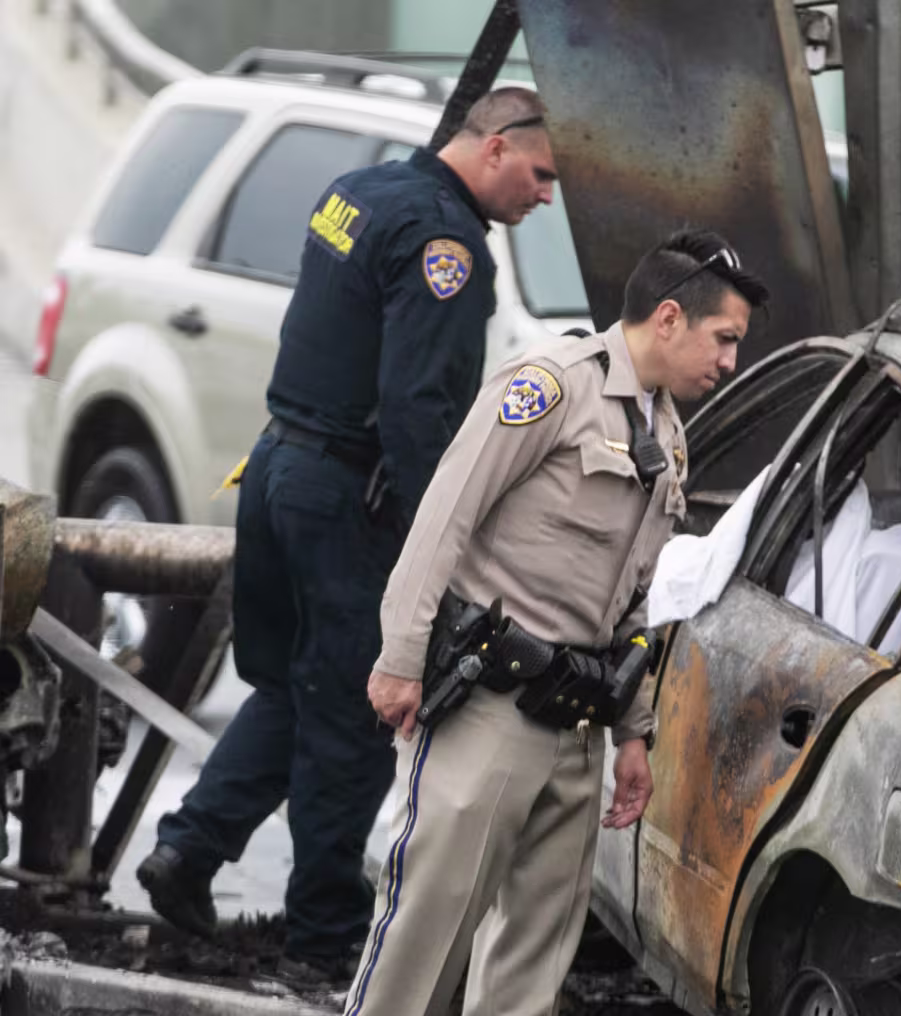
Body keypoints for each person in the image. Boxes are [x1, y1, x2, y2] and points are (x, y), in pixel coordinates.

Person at [135, 87, 559, 986]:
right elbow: (417, 408)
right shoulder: (446, 244)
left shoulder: (358, 190)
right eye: (539, 172)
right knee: (359, 715)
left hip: (278, 469)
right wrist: (439, 540)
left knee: (299, 689)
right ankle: (322, 941)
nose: (546, 194)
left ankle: (187, 850)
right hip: (347, 500)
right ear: (493, 147)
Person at [344, 230, 768, 1016]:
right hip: (485, 711)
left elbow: (638, 597)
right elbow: (445, 515)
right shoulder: (553, 387)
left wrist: (633, 734)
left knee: (529, 970)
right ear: (669, 318)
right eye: (724, 338)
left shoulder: (666, 434)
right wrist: (399, 656)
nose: (730, 361)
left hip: (576, 727)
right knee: (421, 944)